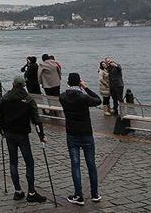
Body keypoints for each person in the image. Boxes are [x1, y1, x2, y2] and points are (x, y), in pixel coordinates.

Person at [0, 75, 48, 203]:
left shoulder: (5, 97)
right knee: (29, 162)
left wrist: (2, 130)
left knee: (13, 162)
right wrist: (41, 136)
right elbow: (36, 119)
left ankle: (18, 191)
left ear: (13, 84)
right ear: (23, 85)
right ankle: (31, 192)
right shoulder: (28, 99)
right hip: (22, 134)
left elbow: (0, 115)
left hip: (9, 133)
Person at [59, 73, 102, 205]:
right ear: (79, 83)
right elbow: (98, 100)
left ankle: (78, 195)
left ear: (68, 83)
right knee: (91, 164)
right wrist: (86, 88)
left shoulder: (63, 97)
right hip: (86, 133)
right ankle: (95, 193)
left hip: (72, 134)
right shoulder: (84, 97)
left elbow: (67, 93)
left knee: (75, 164)